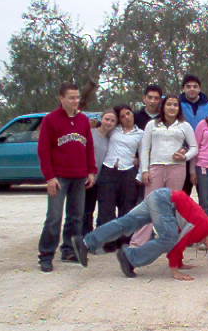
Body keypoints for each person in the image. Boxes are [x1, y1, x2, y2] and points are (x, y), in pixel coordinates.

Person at [72, 188, 208, 281]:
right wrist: (175, 270)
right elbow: (177, 243)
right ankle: (129, 257)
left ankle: (85, 242)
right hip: (164, 201)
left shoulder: (203, 231)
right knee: (168, 238)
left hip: (160, 197)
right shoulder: (204, 228)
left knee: (126, 223)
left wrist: (179, 263)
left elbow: (181, 236)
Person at [37, 83, 97, 272]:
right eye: (71, 98)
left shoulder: (83, 120)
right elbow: (43, 150)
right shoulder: (50, 120)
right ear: (61, 98)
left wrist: (91, 171)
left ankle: (69, 250)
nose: (75, 101)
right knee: (54, 217)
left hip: (79, 176)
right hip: (59, 177)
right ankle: (46, 255)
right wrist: (49, 177)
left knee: (76, 217)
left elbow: (89, 147)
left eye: (77, 97)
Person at [130, 95, 198, 246]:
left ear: (179, 108)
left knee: (173, 204)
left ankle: (172, 240)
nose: (172, 108)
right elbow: (145, 149)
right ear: (163, 107)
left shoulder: (184, 126)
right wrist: (144, 171)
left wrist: (185, 157)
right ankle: (138, 242)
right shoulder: (152, 124)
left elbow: (194, 147)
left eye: (175, 105)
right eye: (169, 104)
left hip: (177, 168)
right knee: (149, 204)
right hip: (156, 167)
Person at [96, 104, 144, 249]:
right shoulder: (114, 130)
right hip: (108, 170)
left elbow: (143, 154)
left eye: (128, 114)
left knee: (127, 207)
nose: (126, 118)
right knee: (106, 207)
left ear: (133, 114)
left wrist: (140, 175)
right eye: (122, 116)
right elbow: (100, 130)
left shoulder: (141, 134)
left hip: (128, 172)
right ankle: (107, 241)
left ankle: (124, 240)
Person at [82, 110, 118, 235]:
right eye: (107, 119)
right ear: (101, 119)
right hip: (87, 177)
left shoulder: (111, 139)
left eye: (112, 121)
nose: (109, 123)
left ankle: (96, 236)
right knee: (86, 210)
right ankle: (84, 236)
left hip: (102, 179)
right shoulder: (90, 133)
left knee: (101, 210)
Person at [179, 74, 208, 195]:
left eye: (195, 86)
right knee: (182, 192)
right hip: (182, 152)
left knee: (205, 193)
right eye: (188, 86)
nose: (192, 89)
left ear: (200, 88)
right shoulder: (176, 104)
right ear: (183, 88)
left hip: (204, 153)